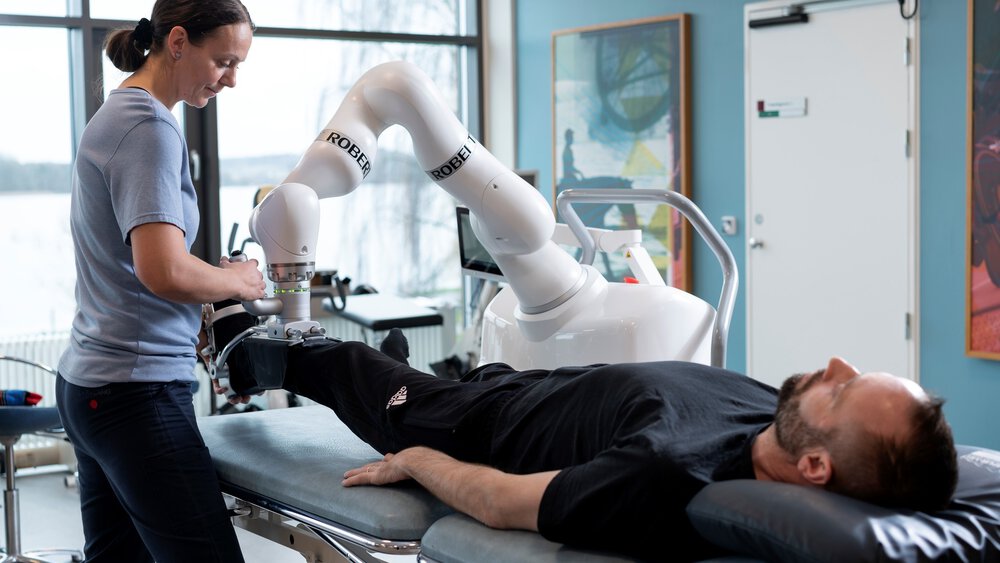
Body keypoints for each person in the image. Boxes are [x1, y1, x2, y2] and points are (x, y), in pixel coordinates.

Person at [208, 313, 958, 561]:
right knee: (429, 369)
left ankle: (235, 340)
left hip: (468, 425)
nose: (836, 364)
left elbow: (503, 502)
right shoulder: (775, 411)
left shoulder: (671, 473)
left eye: (846, 387)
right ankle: (418, 375)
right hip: (524, 386)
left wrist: (416, 458)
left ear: (817, 465)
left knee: (345, 362)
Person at [55, 3, 260, 562]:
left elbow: (133, 268)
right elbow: (162, 269)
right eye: (223, 61)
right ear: (176, 42)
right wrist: (235, 281)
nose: (231, 79)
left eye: (238, 65)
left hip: (94, 384)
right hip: (133, 394)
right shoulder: (148, 127)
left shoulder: (120, 112)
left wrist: (188, 313)